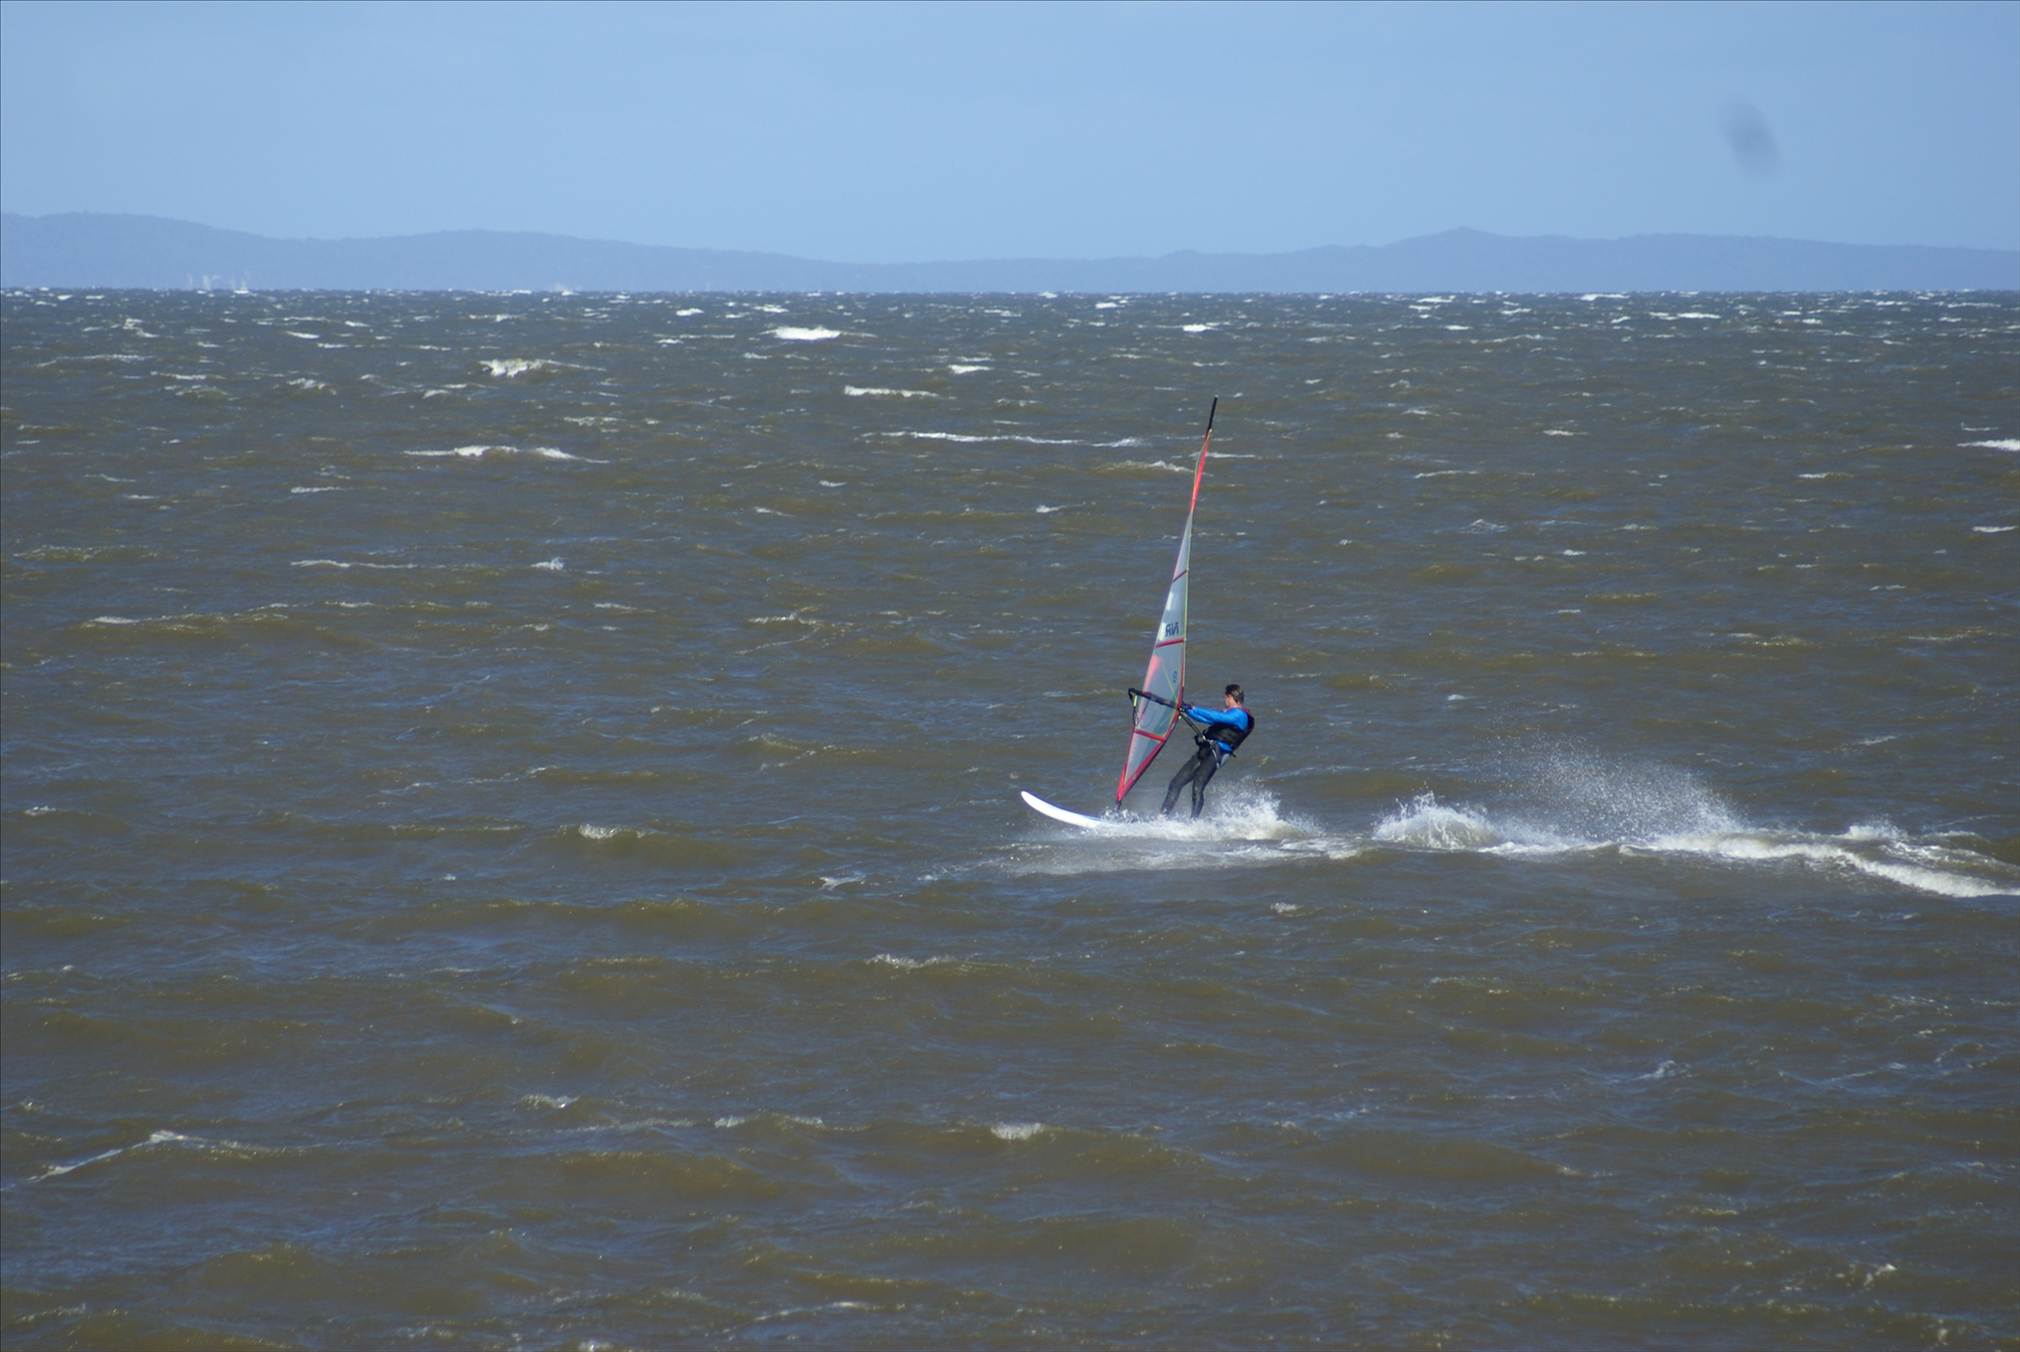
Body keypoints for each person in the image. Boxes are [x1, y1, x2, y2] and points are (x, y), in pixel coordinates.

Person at [1159, 684, 1255, 819]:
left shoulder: (1240, 716)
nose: (1224, 700)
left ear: (1232, 697)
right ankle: (1161, 819)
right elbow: (1205, 718)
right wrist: (1186, 711)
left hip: (1217, 753)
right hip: (1205, 750)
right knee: (1176, 783)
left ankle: (1193, 823)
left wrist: (1194, 708)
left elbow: (1214, 717)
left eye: (1226, 697)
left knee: (1197, 786)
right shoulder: (1229, 713)